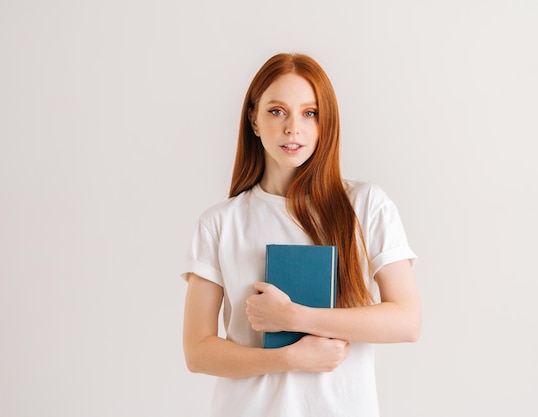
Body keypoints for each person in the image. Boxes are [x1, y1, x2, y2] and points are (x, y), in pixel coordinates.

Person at [181, 52, 422, 417]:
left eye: (310, 113)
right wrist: (291, 357)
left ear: (326, 123)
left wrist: (293, 318)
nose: (293, 127)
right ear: (254, 121)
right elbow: (198, 352)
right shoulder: (220, 222)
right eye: (277, 111)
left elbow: (407, 321)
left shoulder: (366, 205)